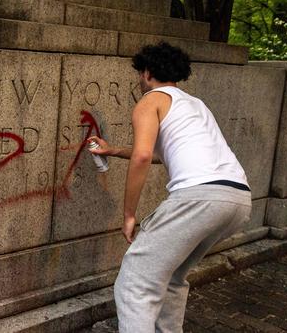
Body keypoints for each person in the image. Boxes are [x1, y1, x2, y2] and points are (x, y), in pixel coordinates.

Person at [88, 42, 251, 333]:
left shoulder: (150, 101)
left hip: (198, 197)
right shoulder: (194, 104)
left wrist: (129, 214)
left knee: (135, 282)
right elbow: (159, 154)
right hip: (236, 198)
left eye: (140, 73)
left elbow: (141, 156)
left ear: (148, 72)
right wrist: (112, 150)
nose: (139, 80)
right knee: (173, 277)